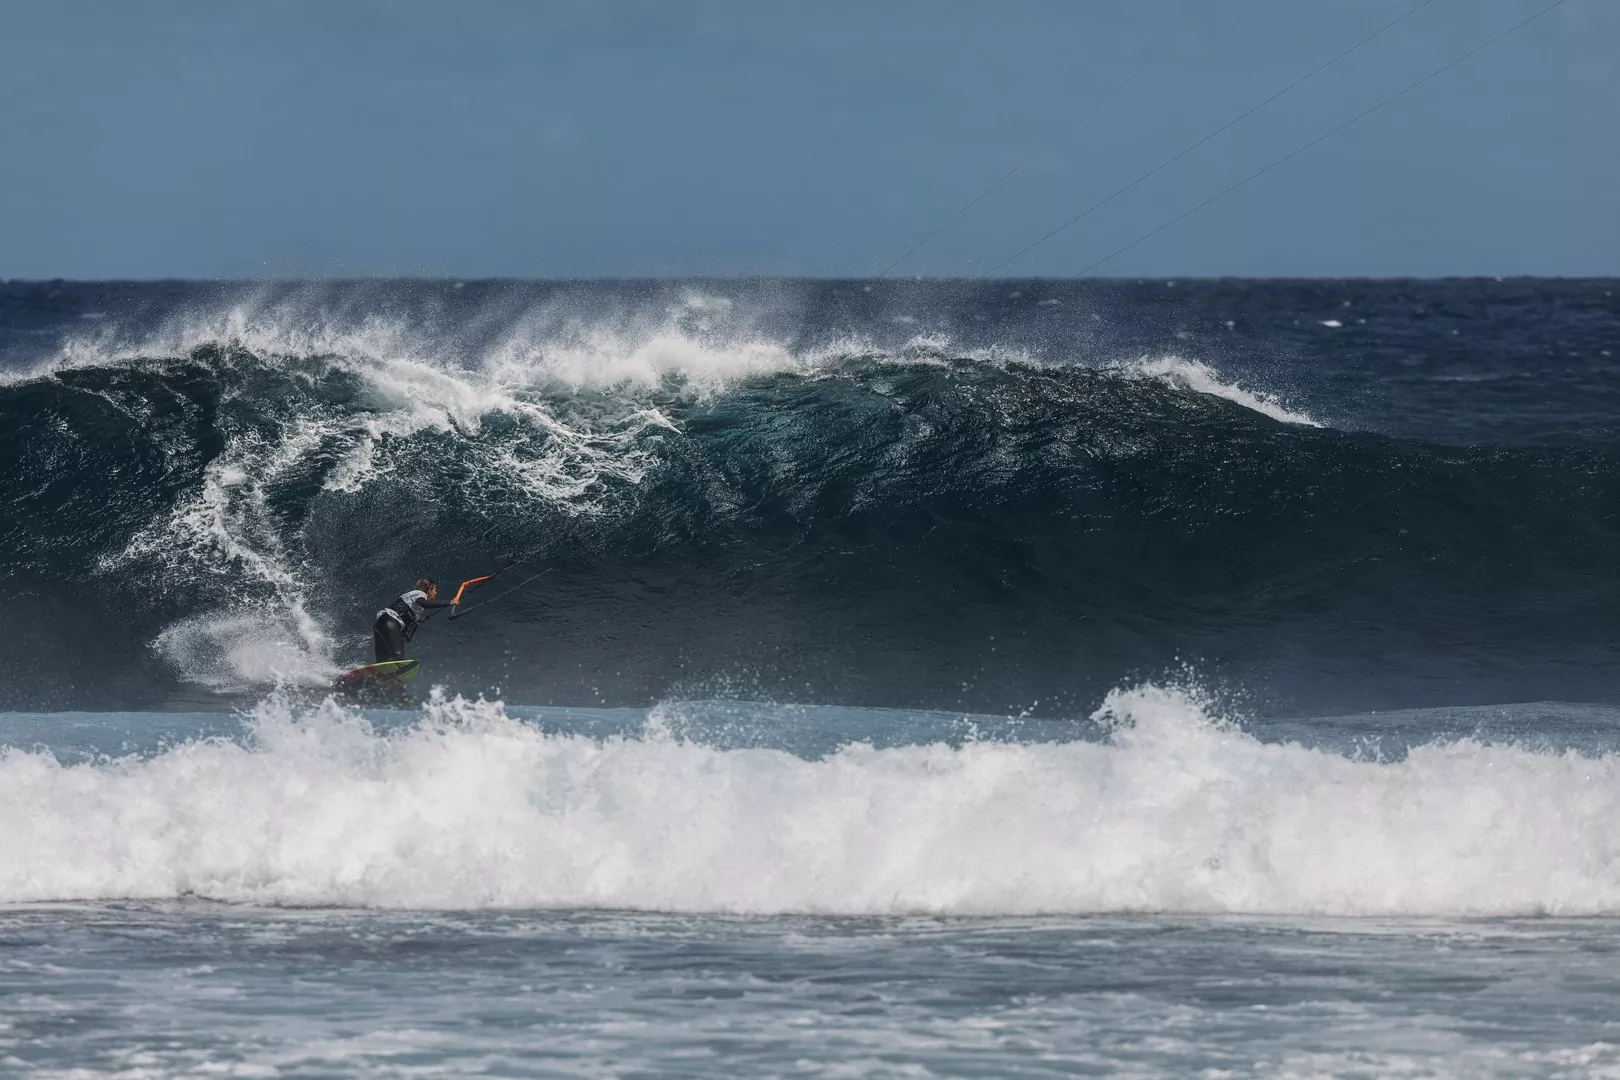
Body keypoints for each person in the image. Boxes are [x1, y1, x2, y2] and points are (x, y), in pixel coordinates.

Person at [373, 578, 455, 662]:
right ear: (429, 589)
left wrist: (419, 618)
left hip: (380, 625)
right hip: (390, 624)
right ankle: (392, 671)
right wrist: (449, 602)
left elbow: (407, 610)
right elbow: (424, 603)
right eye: (434, 590)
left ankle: (376, 674)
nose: (435, 593)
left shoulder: (412, 598)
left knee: (382, 661)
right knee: (397, 657)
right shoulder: (420, 593)